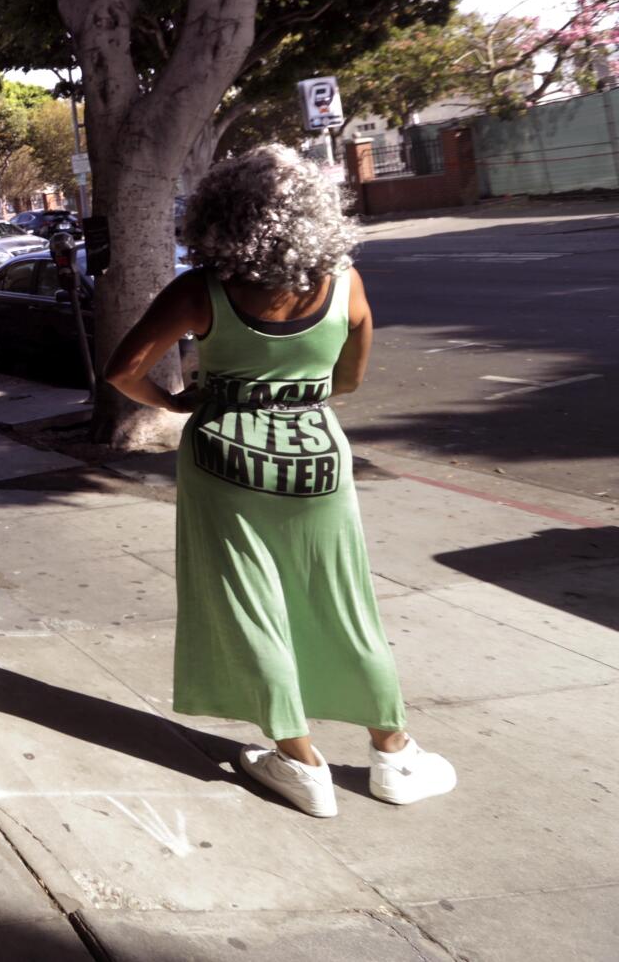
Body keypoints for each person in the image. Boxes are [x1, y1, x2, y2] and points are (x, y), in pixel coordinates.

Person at [104, 145, 455, 818]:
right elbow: (348, 379)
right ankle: (395, 754)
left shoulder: (201, 289)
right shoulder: (345, 282)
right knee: (346, 603)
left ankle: (300, 763)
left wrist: (179, 402)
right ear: (319, 212)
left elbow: (123, 369)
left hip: (222, 464)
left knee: (249, 607)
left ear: (219, 215)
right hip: (318, 462)